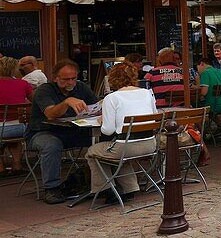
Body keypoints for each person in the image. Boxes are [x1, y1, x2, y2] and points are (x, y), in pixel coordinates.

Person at [27, 59, 98, 204]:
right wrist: (67, 102)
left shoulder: (81, 87)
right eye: (66, 79)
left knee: (104, 138)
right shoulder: (44, 90)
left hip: (73, 131)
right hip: (43, 132)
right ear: (55, 78)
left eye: (73, 78)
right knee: (51, 145)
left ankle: (98, 181)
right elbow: (50, 114)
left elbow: (95, 106)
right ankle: (51, 188)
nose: (71, 83)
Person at [85, 62, 157, 203]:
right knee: (118, 151)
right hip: (150, 145)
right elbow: (153, 118)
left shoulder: (112, 98)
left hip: (126, 148)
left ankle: (105, 189)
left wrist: (102, 121)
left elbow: (108, 130)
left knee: (93, 152)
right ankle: (130, 188)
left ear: (112, 79)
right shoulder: (147, 93)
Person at [0, 56, 34, 174]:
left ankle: (0, 167)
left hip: (0, 129)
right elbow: (35, 101)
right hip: (21, 129)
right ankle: (17, 165)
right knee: (13, 136)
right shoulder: (23, 83)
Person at [196, 58, 221, 125]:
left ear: (202, 64)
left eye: (198, 68)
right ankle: (220, 124)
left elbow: (203, 92)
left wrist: (197, 82)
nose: (198, 71)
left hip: (212, 106)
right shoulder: (220, 72)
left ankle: (202, 130)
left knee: (194, 106)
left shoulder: (205, 73)